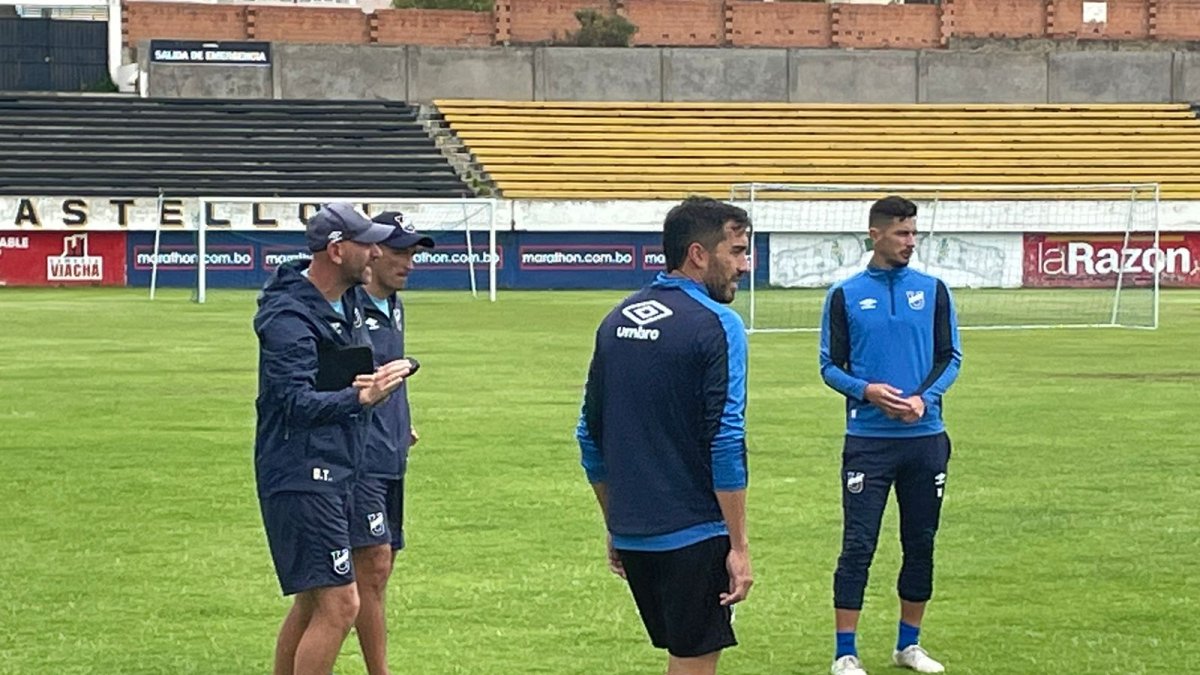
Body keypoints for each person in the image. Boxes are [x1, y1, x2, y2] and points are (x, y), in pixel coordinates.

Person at [576, 196, 754, 675]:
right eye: (735, 251)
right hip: (694, 532)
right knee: (693, 662)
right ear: (698, 254)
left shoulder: (616, 319)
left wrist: (617, 521)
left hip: (636, 535)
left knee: (682, 657)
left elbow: (588, 435)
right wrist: (738, 546)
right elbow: (726, 438)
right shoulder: (720, 325)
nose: (744, 265)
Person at [253, 202, 414, 675]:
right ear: (338, 250)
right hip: (301, 471)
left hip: (338, 466)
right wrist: (362, 399)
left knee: (313, 601)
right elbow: (293, 403)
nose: (375, 251)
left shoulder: (342, 302)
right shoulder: (288, 317)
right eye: (366, 243)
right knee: (341, 605)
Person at [819, 196, 962, 675]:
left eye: (914, 233)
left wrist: (924, 398)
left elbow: (950, 357)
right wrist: (868, 391)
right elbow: (828, 366)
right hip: (869, 442)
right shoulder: (844, 295)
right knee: (859, 544)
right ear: (875, 235)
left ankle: (909, 645)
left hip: (926, 438)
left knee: (920, 541)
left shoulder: (935, 290)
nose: (910, 242)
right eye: (901, 233)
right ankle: (845, 653)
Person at [346, 212, 435, 675]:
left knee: (371, 572)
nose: (410, 263)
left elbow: (391, 375)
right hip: (358, 457)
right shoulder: (347, 305)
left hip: (390, 452)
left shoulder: (394, 303)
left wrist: (405, 423)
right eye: (401, 252)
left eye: (414, 253)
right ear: (373, 251)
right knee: (373, 566)